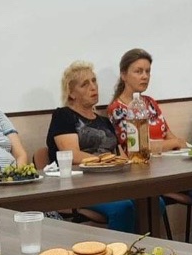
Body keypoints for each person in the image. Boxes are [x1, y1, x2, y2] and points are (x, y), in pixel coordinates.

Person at [106, 48, 192, 246]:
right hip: (145, 173)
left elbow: (170, 135)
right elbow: (136, 148)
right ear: (124, 75)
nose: (144, 76)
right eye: (138, 71)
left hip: (171, 167)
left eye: (148, 71)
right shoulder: (117, 109)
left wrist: (183, 146)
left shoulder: (150, 102)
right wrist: (172, 144)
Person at [46, 61, 137, 232]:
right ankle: (118, 249)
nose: (93, 87)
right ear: (71, 93)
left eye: (94, 81)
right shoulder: (63, 116)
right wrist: (106, 161)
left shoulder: (104, 121)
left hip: (112, 182)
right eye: (85, 84)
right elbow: (72, 155)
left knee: (153, 202)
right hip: (80, 187)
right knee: (123, 207)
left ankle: (141, 247)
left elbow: (121, 156)